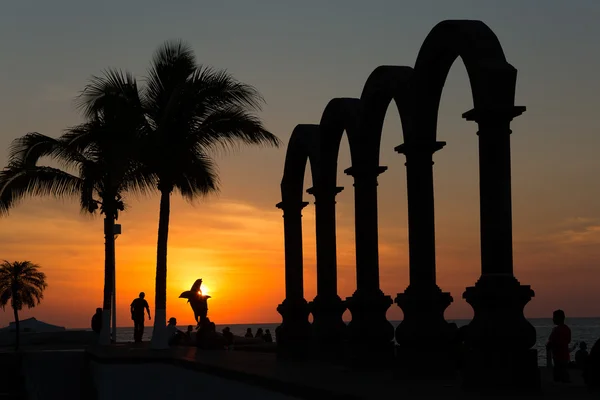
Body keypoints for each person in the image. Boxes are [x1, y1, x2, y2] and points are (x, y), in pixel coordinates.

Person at [546, 309, 572, 383]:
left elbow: (550, 342)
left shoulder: (556, 330)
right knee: (564, 371)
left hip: (558, 356)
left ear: (558, 318)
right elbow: (568, 340)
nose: (553, 319)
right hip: (565, 356)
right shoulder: (567, 329)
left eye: (554, 317)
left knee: (557, 374)